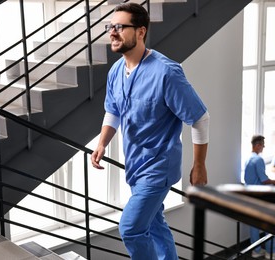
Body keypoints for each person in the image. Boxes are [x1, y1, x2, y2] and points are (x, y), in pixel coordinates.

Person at [90, 3, 210, 260]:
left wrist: (199, 165)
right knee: (154, 224)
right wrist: (102, 143)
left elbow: (200, 118)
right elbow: (113, 111)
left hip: (158, 167)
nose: (113, 32)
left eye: (120, 27)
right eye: (111, 27)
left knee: (131, 228)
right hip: (134, 165)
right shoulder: (116, 72)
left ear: (141, 32)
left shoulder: (166, 72)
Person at [244, 135, 275, 260]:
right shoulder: (258, 160)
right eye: (263, 144)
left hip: (250, 195)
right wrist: (274, 182)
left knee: (254, 224)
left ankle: (256, 250)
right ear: (257, 145)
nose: (264, 147)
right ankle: (271, 252)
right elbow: (264, 180)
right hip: (260, 196)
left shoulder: (248, 159)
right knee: (269, 223)